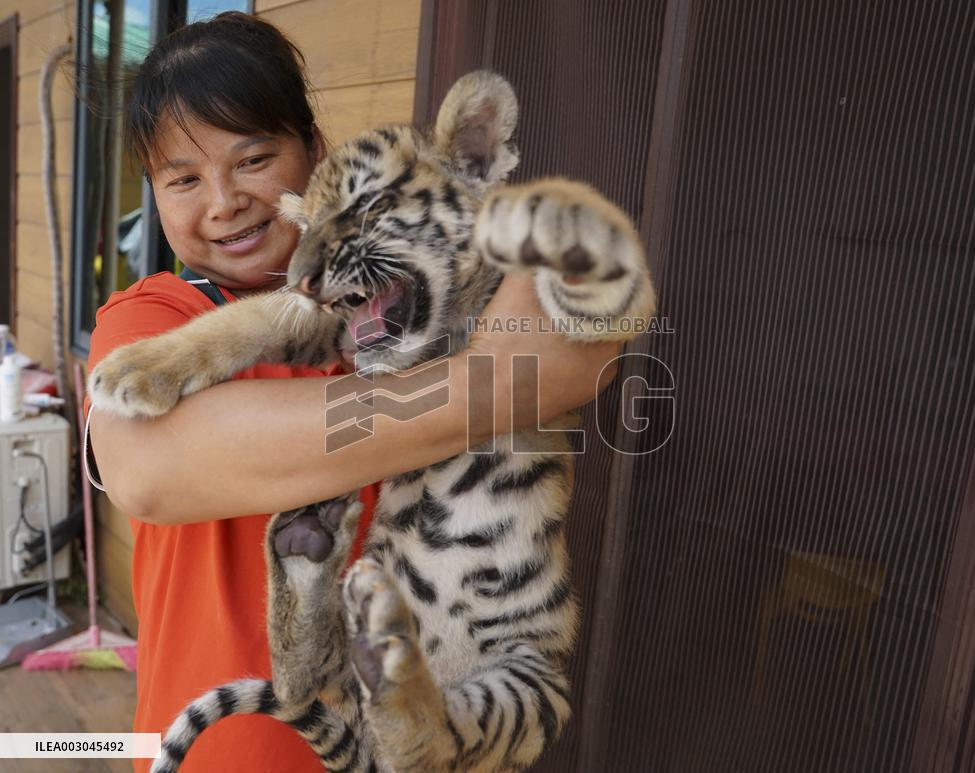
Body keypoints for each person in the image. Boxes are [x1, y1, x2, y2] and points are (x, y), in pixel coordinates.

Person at [86, 11, 621, 773]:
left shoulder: (404, 290)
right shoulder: (155, 315)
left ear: (316, 154)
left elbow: (580, 355)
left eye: (253, 158)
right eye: (182, 179)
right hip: (219, 754)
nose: (224, 200)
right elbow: (147, 467)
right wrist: (489, 381)